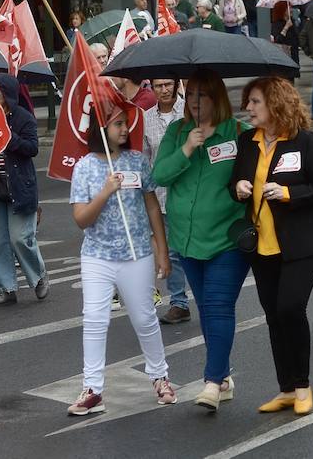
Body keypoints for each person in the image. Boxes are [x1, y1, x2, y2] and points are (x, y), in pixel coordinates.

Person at [231, 76, 313, 416]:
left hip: (303, 243)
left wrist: (288, 193)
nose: (248, 108)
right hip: (262, 244)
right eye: (248, 101)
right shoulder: (248, 141)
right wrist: (240, 186)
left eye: (255, 101)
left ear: (275, 104)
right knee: (274, 316)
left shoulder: (302, 141)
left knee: (291, 308)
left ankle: (303, 386)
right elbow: (235, 182)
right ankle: (286, 388)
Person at [151, 71, 250, 409]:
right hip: (187, 239)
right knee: (207, 309)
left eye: (202, 95)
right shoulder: (178, 132)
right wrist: (188, 148)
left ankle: (211, 381)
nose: (194, 101)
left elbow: (260, 170)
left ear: (217, 97)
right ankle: (222, 377)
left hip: (226, 239)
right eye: (190, 94)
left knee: (219, 306)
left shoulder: (238, 133)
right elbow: (159, 175)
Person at [68, 108, 175, 415]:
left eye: (125, 123)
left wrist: (161, 251)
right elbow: (81, 220)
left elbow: (153, 209)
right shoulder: (85, 167)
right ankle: (92, 389)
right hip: (97, 257)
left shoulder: (137, 161)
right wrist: (105, 191)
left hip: (136, 253)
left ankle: (160, 377)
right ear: (101, 128)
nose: (125, 128)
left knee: (144, 318)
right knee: (94, 319)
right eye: (117, 123)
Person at [0, 74, 49, 306]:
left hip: (19, 187)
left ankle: (38, 276)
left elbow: (32, 148)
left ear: (7, 92)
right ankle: (6, 288)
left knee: (20, 238)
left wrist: (9, 137)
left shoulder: (23, 118)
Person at [140, 78, 190, 323]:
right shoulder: (146, 118)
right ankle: (179, 302)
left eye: (168, 84)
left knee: (193, 249)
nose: (164, 90)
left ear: (176, 85)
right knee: (170, 252)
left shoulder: (190, 111)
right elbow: (145, 159)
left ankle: (205, 298)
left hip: (190, 194)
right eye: (158, 86)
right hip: (161, 195)